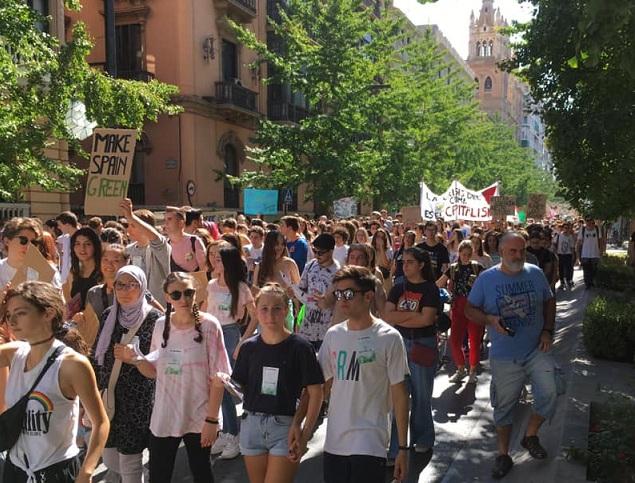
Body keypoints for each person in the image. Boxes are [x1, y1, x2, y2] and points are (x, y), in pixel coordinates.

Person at [116, 272, 230, 483]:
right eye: (176, 294)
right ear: (167, 297)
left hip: (199, 414)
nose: (183, 299)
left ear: (197, 293)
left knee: (202, 472)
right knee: (159, 475)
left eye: (189, 292)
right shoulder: (161, 325)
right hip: (165, 414)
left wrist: (212, 420)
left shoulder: (210, 326)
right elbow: (154, 371)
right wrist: (137, 360)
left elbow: (219, 378)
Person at [465, 232, 557, 479]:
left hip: (537, 348)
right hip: (505, 355)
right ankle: (503, 455)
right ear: (501, 252)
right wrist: (489, 319)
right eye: (512, 251)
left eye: (522, 251)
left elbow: (549, 300)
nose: (518, 256)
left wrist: (548, 330)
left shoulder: (535, 273)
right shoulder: (487, 278)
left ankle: (530, 435)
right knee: (504, 407)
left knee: (551, 390)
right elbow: (469, 309)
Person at [0, 281, 109, 483]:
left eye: (21, 313)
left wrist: (86, 471)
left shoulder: (71, 364)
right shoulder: (14, 353)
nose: (12, 320)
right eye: (8, 315)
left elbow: (100, 422)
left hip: (55, 472)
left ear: (48, 313)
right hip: (15, 470)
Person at [221, 283, 324, 483]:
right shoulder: (249, 347)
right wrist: (222, 382)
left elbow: (316, 392)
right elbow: (240, 387)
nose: (270, 315)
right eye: (264, 309)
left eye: (277, 308)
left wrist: (304, 434)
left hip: (284, 427)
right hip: (251, 425)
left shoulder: (300, 347)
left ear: (286, 310)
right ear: (256, 312)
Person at [318, 266, 410, 483]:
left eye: (349, 294)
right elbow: (320, 388)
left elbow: (400, 394)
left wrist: (403, 448)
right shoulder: (333, 335)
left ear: (368, 296)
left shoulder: (390, 338)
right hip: (334, 442)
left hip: (370, 442)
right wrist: (301, 429)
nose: (342, 299)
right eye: (338, 294)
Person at [93, 266, 161, 483]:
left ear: (142, 287)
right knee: (110, 457)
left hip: (137, 400)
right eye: (119, 285)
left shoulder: (154, 320)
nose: (124, 290)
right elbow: (97, 355)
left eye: (132, 285)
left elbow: (157, 367)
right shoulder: (109, 315)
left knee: (130, 461)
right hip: (109, 397)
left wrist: (135, 358)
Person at [384, 247, 439, 459]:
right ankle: (396, 447)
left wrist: (400, 316)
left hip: (422, 344)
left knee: (421, 395)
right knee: (398, 396)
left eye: (410, 262)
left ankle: (423, 437)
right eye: (403, 262)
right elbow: (387, 317)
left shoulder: (430, 289)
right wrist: (412, 315)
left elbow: (426, 320)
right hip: (399, 343)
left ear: (421, 265)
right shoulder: (398, 287)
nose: (405, 266)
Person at [205, 245, 257, 460]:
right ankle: (228, 431)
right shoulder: (210, 285)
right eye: (214, 258)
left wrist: (242, 342)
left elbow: (255, 317)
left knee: (227, 385)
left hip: (230, 334)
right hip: (211, 333)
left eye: (219, 259)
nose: (215, 262)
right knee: (215, 385)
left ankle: (233, 433)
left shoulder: (241, 288)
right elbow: (207, 311)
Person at [436, 240, 484, 383]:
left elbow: (486, 285)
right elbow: (439, 283)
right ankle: (461, 368)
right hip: (458, 307)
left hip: (474, 307)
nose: (466, 257)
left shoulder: (478, 267)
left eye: (469, 254)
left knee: (474, 341)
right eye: (463, 254)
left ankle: (473, 371)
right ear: (459, 253)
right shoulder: (453, 268)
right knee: (454, 340)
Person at [295, 234, 340, 351]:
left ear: (331, 251)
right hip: (307, 328)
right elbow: (302, 287)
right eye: (315, 251)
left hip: (326, 329)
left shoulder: (338, 272)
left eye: (321, 252)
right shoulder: (310, 265)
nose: (316, 255)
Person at [122, 199, 172, 305]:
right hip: (134, 306)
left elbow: (156, 239)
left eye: (133, 225)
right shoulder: (128, 250)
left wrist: (131, 217)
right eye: (128, 225)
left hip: (157, 306)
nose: (128, 230)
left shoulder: (161, 248)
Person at [0, 217, 62, 289]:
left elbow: (57, 299)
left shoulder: (46, 270)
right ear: (7, 241)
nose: (29, 246)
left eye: (34, 242)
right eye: (23, 240)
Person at [63, 227, 103, 319]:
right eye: (77, 244)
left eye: (87, 244)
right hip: (78, 324)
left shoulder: (103, 270)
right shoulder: (73, 271)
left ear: (95, 246)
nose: (82, 248)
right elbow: (67, 298)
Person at [164, 206, 206, 273]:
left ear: (181, 223)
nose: (166, 223)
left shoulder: (195, 241)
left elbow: (204, 270)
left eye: (170, 219)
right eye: (165, 220)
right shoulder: (165, 245)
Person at [577, 218, 603, 288]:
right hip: (585, 254)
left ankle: (591, 281)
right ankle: (587, 284)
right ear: (586, 222)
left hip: (595, 253)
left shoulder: (597, 229)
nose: (589, 223)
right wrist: (577, 252)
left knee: (594, 269)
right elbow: (579, 241)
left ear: (593, 222)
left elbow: (600, 240)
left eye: (591, 221)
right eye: (587, 221)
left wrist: (601, 250)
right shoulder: (582, 229)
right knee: (586, 270)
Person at [55, 211, 79, 284]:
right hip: (65, 277)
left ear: (68, 225)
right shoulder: (65, 238)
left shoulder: (83, 238)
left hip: (78, 277)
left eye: (60, 225)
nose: (59, 228)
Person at [552, 222, 576, 289]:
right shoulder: (559, 235)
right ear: (563, 228)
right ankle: (562, 282)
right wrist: (555, 252)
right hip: (560, 254)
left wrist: (573, 255)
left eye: (568, 228)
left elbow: (572, 247)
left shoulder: (570, 237)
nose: (566, 229)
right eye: (565, 228)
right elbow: (554, 243)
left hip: (568, 254)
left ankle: (569, 280)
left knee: (569, 268)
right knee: (561, 268)